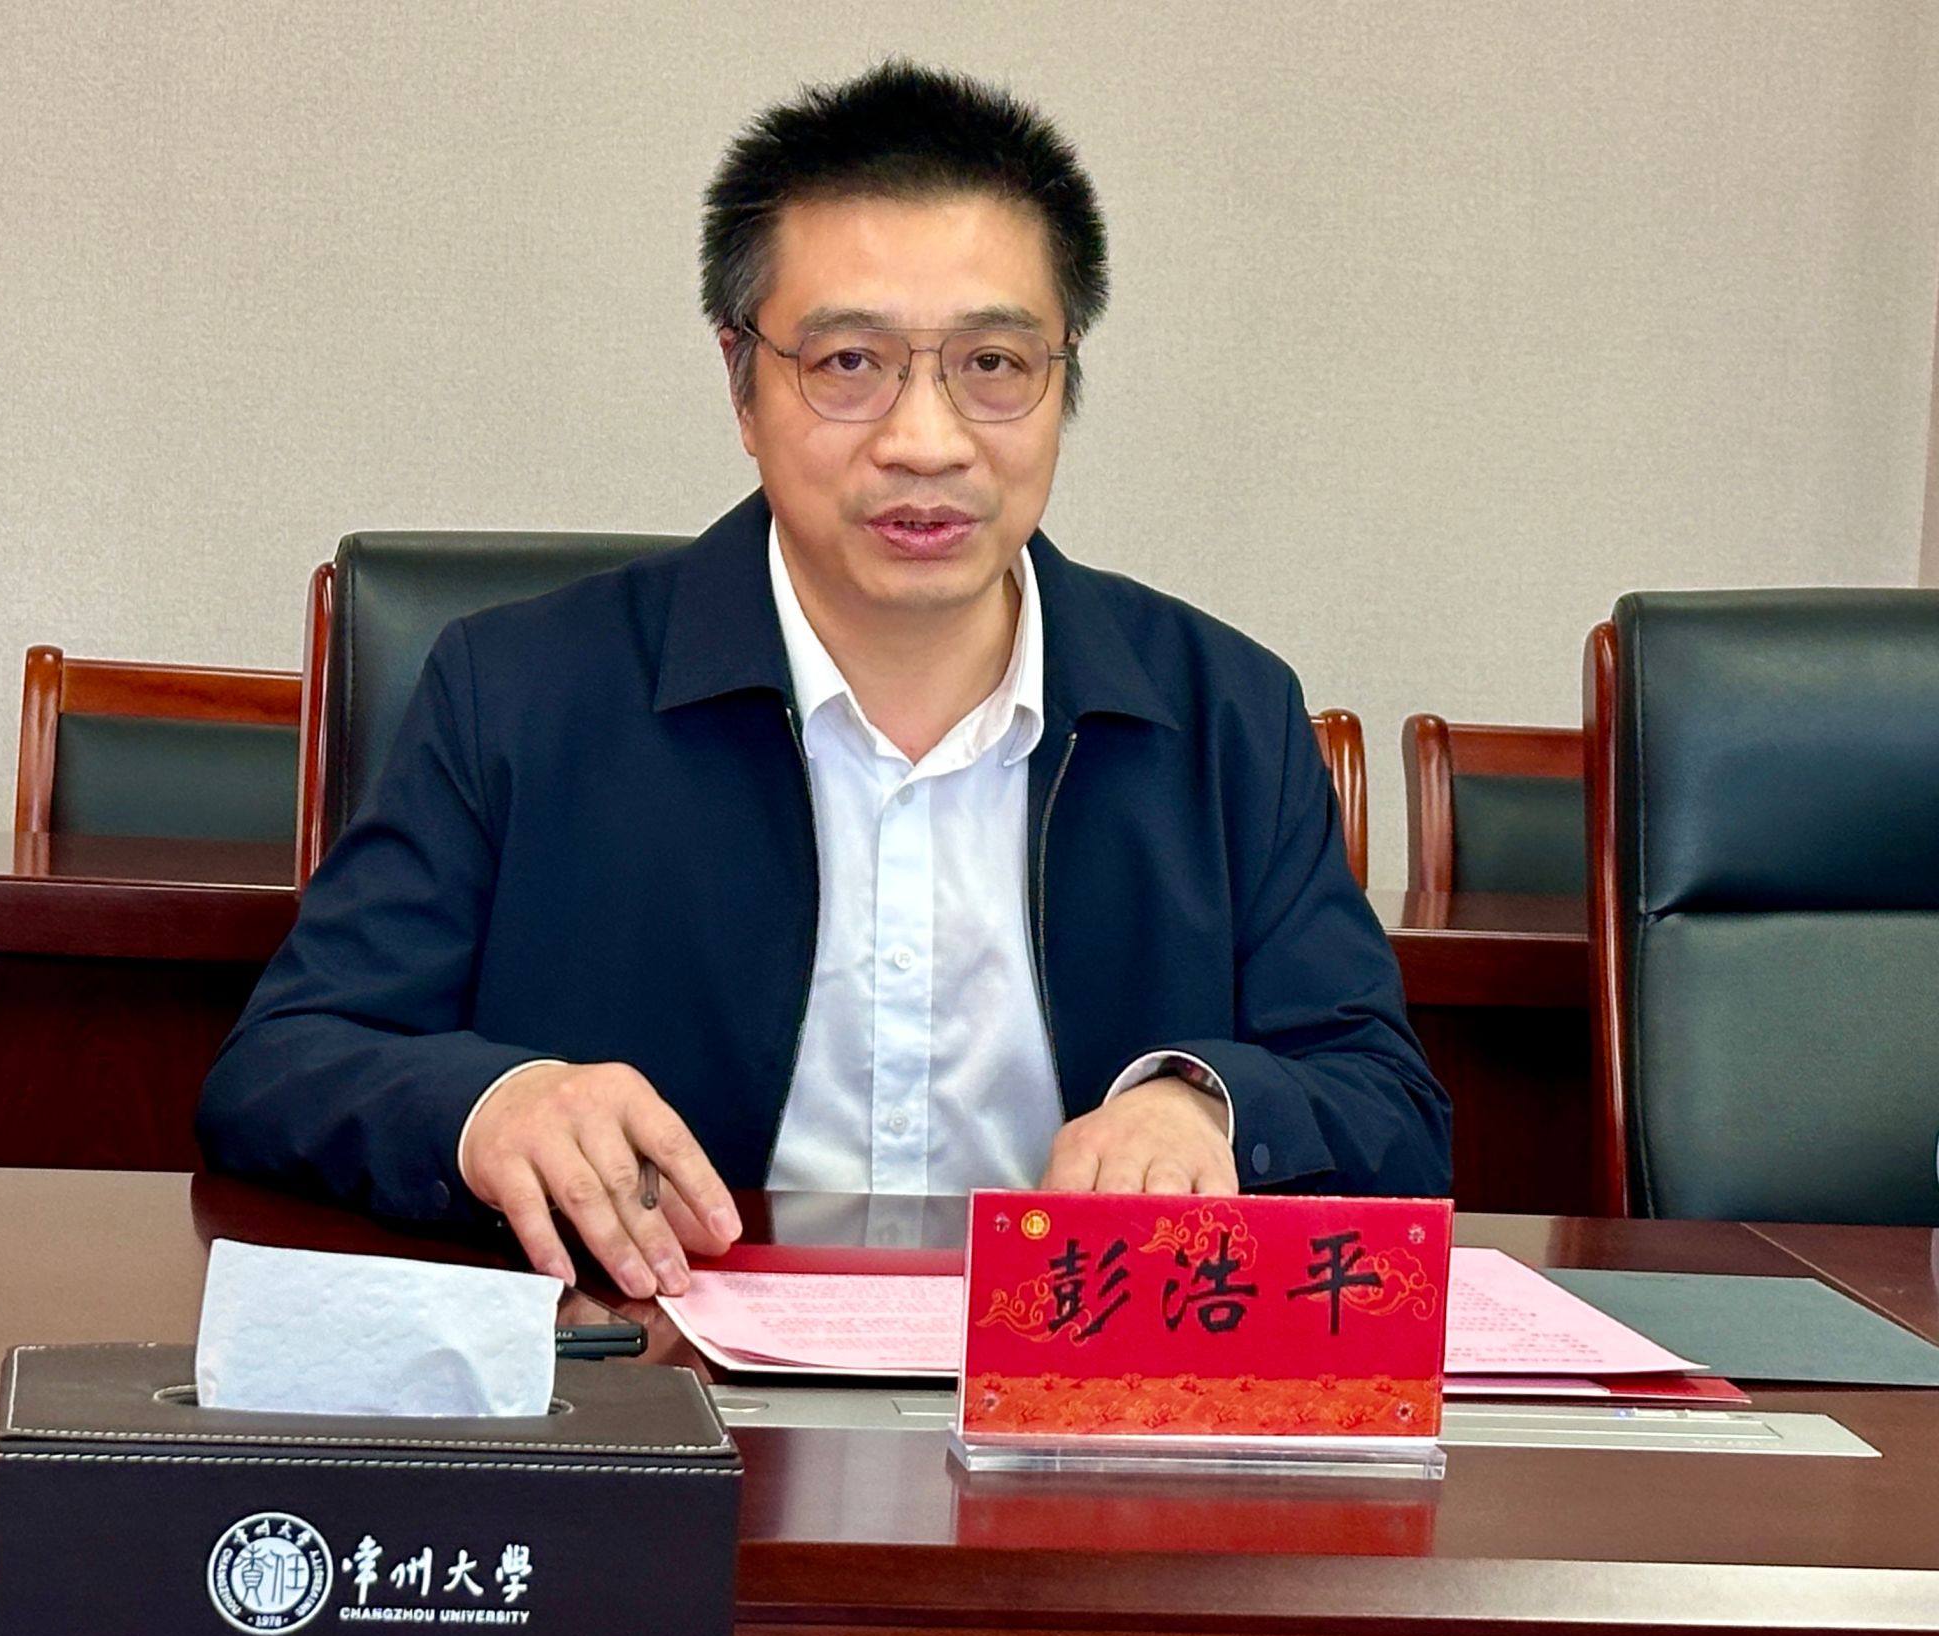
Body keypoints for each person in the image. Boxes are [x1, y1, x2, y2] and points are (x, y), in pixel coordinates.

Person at [198, 61, 1451, 1302]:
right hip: (657, 1373)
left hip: (1071, 1400)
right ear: (741, 384)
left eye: (993, 363)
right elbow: (283, 1065)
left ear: (1062, 378)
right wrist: (491, 1104)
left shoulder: (1223, 711)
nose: (924, 441)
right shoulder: (517, 692)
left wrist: (1205, 1108)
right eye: (848, 362)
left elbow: (1387, 1108)